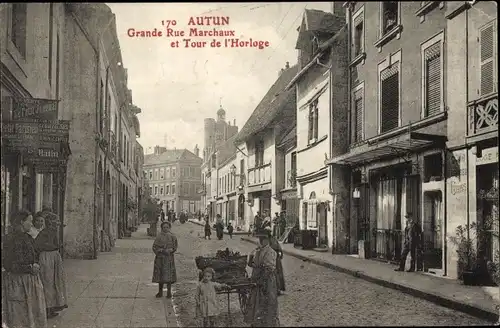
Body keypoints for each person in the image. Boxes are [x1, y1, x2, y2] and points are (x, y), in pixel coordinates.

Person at [2, 210, 48, 328]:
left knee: (30, 317)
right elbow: (9, 264)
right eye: (30, 221)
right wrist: (30, 268)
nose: (31, 224)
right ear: (21, 222)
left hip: (29, 282)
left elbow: (35, 254)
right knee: (20, 317)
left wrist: (36, 264)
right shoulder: (11, 239)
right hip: (18, 282)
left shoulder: (27, 237)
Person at [35, 212, 68, 318]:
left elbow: (56, 244)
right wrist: (50, 247)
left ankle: (51, 307)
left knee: (53, 282)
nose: (55, 225)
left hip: (53, 258)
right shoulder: (44, 233)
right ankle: (47, 308)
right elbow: (38, 245)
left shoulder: (51, 232)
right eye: (54, 222)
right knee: (48, 282)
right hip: (47, 258)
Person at [245, 229, 280, 327]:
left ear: (266, 240)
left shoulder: (270, 252)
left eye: (260, 239)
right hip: (257, 281)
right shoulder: (258, 251)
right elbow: (252, 265)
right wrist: (251, 257)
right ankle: (256, 322)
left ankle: (267, 323)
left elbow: (268, 269)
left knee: (266, 302)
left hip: (266, 282)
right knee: (256, 302)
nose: (258, 241)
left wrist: (260, 282)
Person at [152, 221, 178, 298]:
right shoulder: (159, 237)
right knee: (160, 275)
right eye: (164, 227)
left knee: (168, 276)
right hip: (160, 258)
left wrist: (171, 250)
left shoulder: (173, 237)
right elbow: (154, 247)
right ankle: (160, 292)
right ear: (161, 228)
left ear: (169, 228)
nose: (165, 229)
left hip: (169, 259)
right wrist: (161, 251)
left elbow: (175, 246)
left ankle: (169, 292)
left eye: (167, 227)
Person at [269, 229, 286, 295]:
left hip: (275, 257)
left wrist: (281, 254)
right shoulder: (269, 240)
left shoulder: (272, 239)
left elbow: (279, 247)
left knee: (277, 273)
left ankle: (278, 289)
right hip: (273, 257)